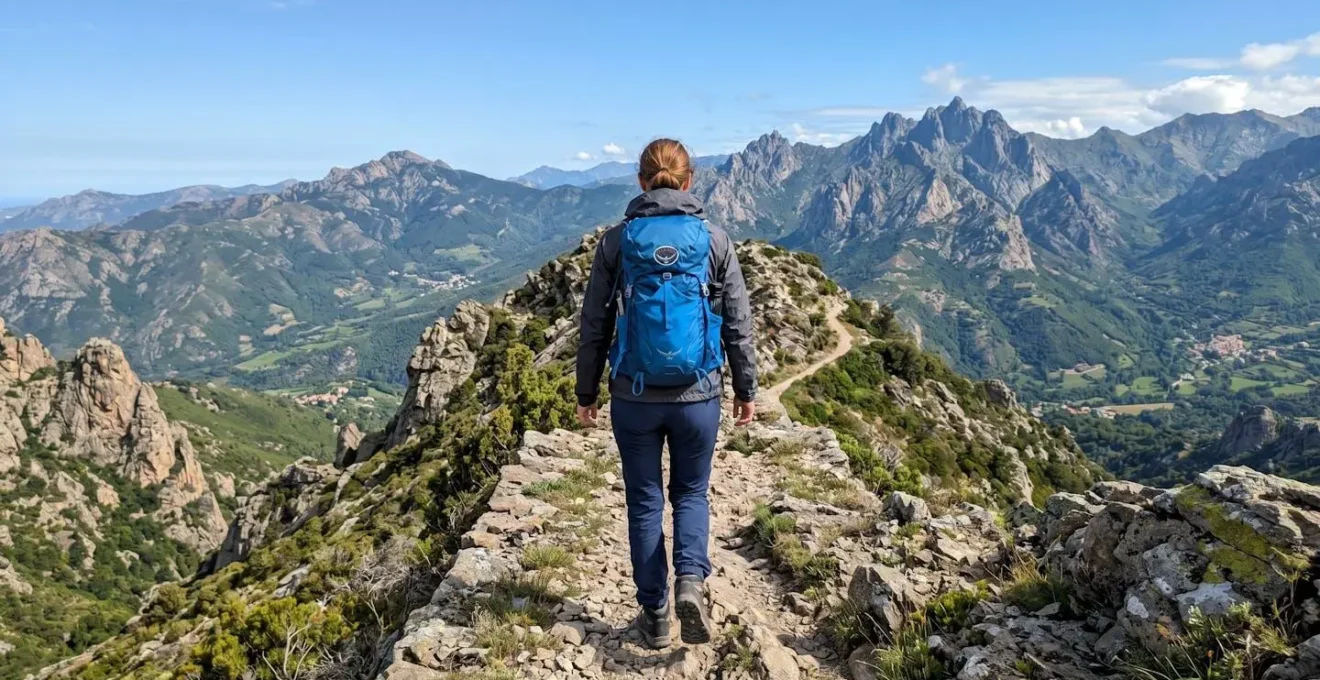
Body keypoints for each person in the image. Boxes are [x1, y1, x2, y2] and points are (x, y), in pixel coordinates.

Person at [575, 138, 758, 649]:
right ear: (688, 181)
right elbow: (738, 324)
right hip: (698, 395)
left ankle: (654, 614)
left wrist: (586, 393)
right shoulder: (714, 240)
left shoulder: (616, 242)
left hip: (633, 395)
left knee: (644, 501)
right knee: (692, 493)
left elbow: (594, 324)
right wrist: (746, 388)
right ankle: (692, 584)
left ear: (640, 182)